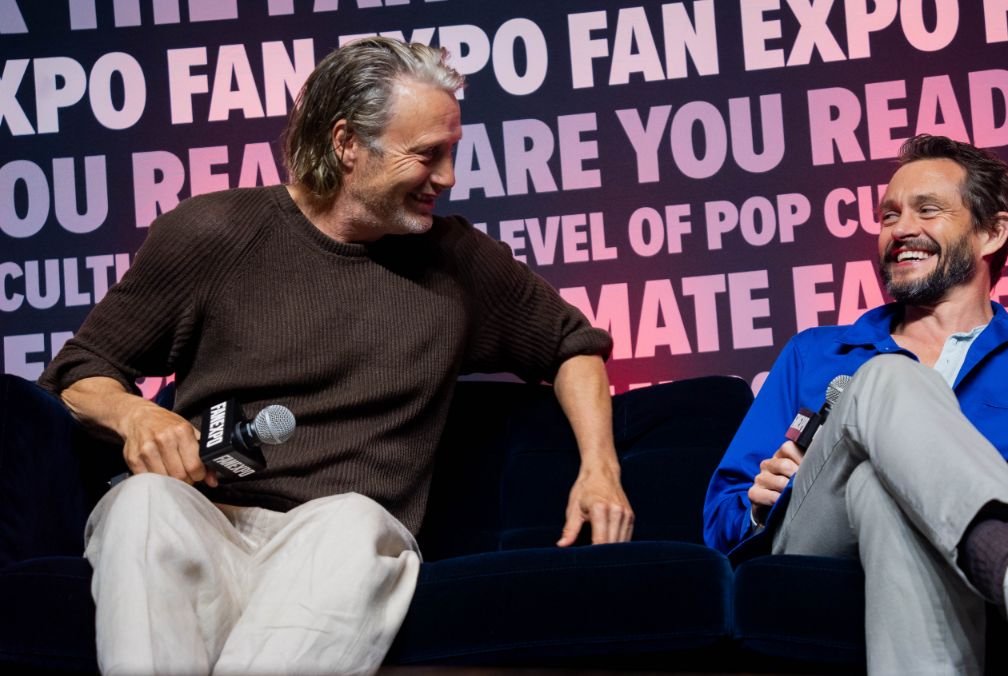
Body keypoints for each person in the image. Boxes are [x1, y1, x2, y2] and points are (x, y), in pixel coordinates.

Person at [39, 38, 634, 675]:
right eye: (427, 154)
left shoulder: (457, 262)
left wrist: (600, 467)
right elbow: (79, 372)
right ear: (347, 143)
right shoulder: (211, 233)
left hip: (333, 546)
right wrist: (135, 416)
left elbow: (573, 344)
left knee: (355, 522)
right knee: (142, 503)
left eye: (453, 152)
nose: (448, 177)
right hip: (203, 521)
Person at [703, 134, 1008, 675]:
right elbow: (719, 525)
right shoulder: (816, 353)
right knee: (885, 378)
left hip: (925, 577)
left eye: (928, 209)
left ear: (992, 231)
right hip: (817, 550)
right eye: (889, 214)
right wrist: (756, 505)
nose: (901, 229)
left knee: (880, 489)